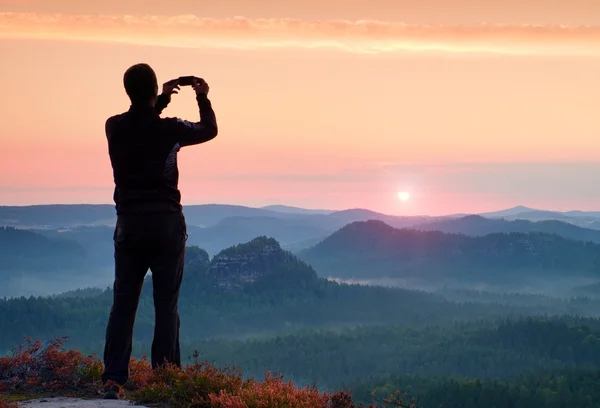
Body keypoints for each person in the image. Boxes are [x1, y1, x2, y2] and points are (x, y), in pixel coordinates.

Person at [101, 63, 218, 399]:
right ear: (153, 90)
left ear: (128, 91)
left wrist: (159, 99)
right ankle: (165, 379)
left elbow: (140, 123)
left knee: (123, 303)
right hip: (166, 225)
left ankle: (113, 379)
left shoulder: (114, 127)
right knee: (166, 304)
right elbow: (208, 129)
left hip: (129, 226)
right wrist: (203, 97)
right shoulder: (170, 130)